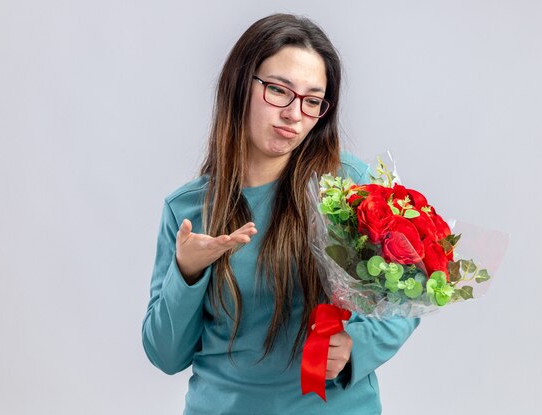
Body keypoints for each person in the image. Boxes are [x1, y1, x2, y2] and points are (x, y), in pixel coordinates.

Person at [142, 13, 419, 415]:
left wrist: (360, 345)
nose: (294, 114)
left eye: (312, 100)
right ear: (241, 85)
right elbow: (166, 355)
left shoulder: (347, 186)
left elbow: (411, 290)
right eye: (278, 90)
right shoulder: (187, 210)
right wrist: (186, 272)